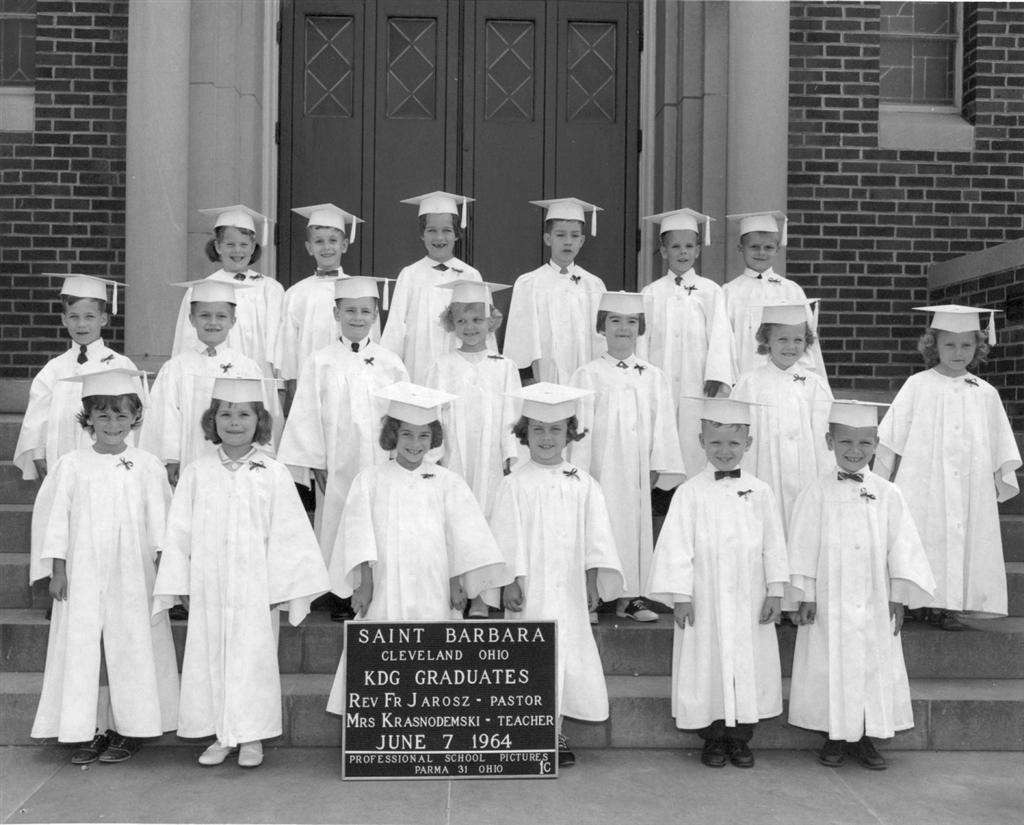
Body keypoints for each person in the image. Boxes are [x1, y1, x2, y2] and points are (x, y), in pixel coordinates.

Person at [153, 378, 329, 769]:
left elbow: (289, 532)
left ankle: (251, 737)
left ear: (259, 421)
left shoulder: (273, 472)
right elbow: (178, 530)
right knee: (210, 656)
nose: (235, 422)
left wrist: (280, 586)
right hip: (209, 582)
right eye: (226, 414)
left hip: (256, 585)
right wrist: (181, 582)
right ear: (212, 420)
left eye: (244, 414)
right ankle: (221, 734)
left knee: (253, 658)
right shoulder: (198, 472)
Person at [325, 382, 510, 716]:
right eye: (407, 434)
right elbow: (360, 534)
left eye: (424, 435)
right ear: (392, 435)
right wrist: (364, 583)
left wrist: (456, 583)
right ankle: (377, 720)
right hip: (385, 582)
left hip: (433, 582)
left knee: (433, 651)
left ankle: (429, 721)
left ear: (434, 438)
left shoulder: (447, 481)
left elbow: (460, 537)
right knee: (382, 650)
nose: (415, 443)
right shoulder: (370, 480)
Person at [29, 369, 178, 764]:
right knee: (84, 648)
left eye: (121, 415)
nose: (113, 424)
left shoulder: (147, 465)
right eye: (103, 415)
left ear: (135, 418)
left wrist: (164, 572)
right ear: (88, 418)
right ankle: (89, 728)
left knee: (132, 647)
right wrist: (58, 570)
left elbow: (161, 524)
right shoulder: (71, 465)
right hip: (83, 571)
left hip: (133, 572)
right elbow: (57, 521)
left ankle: (129, 729)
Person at [788, 399, 935, 770]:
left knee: (872, 665)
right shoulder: (815, 492)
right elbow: (802, 546)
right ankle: (835, 736)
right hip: (829, 600)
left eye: (865, 443)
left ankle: (866, 737)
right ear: (829, 442)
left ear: (876, 444)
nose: (855, 451)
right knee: (830, 665)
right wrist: (805, 595)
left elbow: (902, 547)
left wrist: (898, 596)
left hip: (874, 598)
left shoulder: (888, 493)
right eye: (845, 442)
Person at [645, 397, 788, 769]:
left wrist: (775, 590)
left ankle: (740, 738)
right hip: (704, 597)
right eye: (716, 443)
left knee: (747, 663)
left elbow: (773, 543)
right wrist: (680, 595)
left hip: (750, 596)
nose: (725, 451)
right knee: (706, 664)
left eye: (734, 443)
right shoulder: (690, 492)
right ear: (701, 442)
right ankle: (712, 738)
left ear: (748, 444)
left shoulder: (761, 492)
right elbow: (676, 545)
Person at [488, 382, 624, 766]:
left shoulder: (583, 483)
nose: (546, 437)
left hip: (569, 591)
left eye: (555, 429)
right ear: (524, 434)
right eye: (537, 429)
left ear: (569, 434)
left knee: (567, 654)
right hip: (529, 589)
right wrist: (509, 582)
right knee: (528, 656)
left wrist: (591, 579)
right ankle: (527, 730)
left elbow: (597, 536)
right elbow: (504, 535)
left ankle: (555, 732)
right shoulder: (514, 483)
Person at [875, 305, 1020, 629]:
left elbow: (999, 443)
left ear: (978, 347)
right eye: (949, 344)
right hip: (924, 480)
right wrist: (879, 481)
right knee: (922, 536)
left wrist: (999, 477)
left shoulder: (985, 393)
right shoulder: (917, 385)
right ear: (933, 346)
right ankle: (916, 600)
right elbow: (890, 439)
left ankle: (948, 606)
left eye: (966, 345)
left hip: (968, 483)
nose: (958, 352)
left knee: (959, 540)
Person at [277, 276, 408, 619]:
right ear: (336, 314)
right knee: (336, 518)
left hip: (377, 458)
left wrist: (397, 455)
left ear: (375, 315)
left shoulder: (390, 362)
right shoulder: (320, 361)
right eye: (349, 310)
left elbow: (402, 413)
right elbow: (307, 411)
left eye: (365, 311)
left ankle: (372, 588)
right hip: (335, 461)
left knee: (375, 520)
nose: (357, 317)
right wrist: (314, 460)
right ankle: (337, 592)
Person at [569, 291, 685, 622]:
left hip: (636, 470)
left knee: (632, 529)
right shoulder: (587, 374)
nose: (623, 328)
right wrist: (580, 470)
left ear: (640, 328)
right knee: (595, 527)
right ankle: (591, 595)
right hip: (598, 469)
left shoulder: (653, 376)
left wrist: (657, 465)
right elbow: (579, 427)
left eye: (631, 322)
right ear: (601, 327)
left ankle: (629, 598)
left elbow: (663, 425)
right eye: (615, 321)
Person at [425, 279, 520, 616]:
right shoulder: (442, 366)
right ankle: (457, 592)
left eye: (478, 320)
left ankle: (483, 596)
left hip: (491, 459)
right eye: (462, 320)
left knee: (489, 520)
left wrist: (511, 454)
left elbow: (512, 414)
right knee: (456, 521)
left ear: (491, 322)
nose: (470, 327)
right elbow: (433, 414)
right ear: (451, 324)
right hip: (454, 456)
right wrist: (434, 457)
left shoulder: (504, 366)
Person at [141, 278, 269, 487]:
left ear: (233, 321)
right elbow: (165, 415)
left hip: (238, 458)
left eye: (221, 316)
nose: (213, 322)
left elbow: (258, 415)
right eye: (204, 316)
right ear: (191, 319)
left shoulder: (246, 367)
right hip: (188, 458)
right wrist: (171, 458)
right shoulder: (176, 367)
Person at [14, 274, 141, 481]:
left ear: (103, 319)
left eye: (89, 316)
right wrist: (37, 453)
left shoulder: (121, 365)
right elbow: (38, 415)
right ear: (64, 319)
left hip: (112, 462)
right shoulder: (54, 369)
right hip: (61, 458)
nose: (81, 324)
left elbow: (138, 417)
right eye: (73, 317)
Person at [638, 208, 734, 475]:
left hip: (698, 381)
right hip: (662, 378)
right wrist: (643, 379)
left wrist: (717, 375)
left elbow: (720, 335)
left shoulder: (711, 291)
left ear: (698, 250)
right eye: (675, 246)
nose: (683, 252)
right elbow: (642, 340)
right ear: (663, 251)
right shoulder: (651, 293)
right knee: (662, 436)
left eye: (689, 246)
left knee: (694, 441)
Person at [731, 300, 833, 528]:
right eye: (782, 339)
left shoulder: (815, 385)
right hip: (763, 473)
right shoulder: (750, 384)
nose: (790, 346)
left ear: (807, 342)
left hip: (806, 476)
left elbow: (824, 442)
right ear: (766, 340)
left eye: (798, 340)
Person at [379, 191, 493, 383]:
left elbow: (485, 328)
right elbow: (395, 329)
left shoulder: (470, 275)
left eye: (447, 230)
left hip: (461, 372)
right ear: (421, 235)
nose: (439, 237)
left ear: (457, 234)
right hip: (418, 369)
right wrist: (388, 375)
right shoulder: (410, 275)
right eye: (431, 230)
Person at [276, 203, 380, 411]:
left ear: (344, 245)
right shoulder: (296, 293)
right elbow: (288, 342)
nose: (326, 247)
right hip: (309, 380)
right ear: (309, 247)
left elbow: (372, 337)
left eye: (333, 241)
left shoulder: (359, 288)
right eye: (319, 241)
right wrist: (291, 381)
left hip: (352, 377)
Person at [170, 205, 283, 378]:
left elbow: (278, 342)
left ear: (253, 247)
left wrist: (279, 381)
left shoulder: (270, 288)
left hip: (259, 377)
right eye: (230, 244)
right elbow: (187, 341)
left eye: (244, 244)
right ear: (218, 247)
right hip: (211, 375)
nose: (237, 250)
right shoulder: (201, 288)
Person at [503, 197, 607, 384]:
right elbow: (519, 339)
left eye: (574, 236)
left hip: (585, 380)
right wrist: (527, 380)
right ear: (548, 239)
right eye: (560, 235)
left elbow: (601, 339)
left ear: (582, 240)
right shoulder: (529, 283)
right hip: (543, 379)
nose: (568, 242)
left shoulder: (593, 285)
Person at [723, 211, 828, 383]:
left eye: (768, 247)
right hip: (743, 375)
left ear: (778, 249)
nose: (761, 253)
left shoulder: (791, 290)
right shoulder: (729, 292)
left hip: (787, 378)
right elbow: (724, 340)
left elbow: (806, 338)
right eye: (754, 247)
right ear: (740, 248)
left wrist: (803, 378)